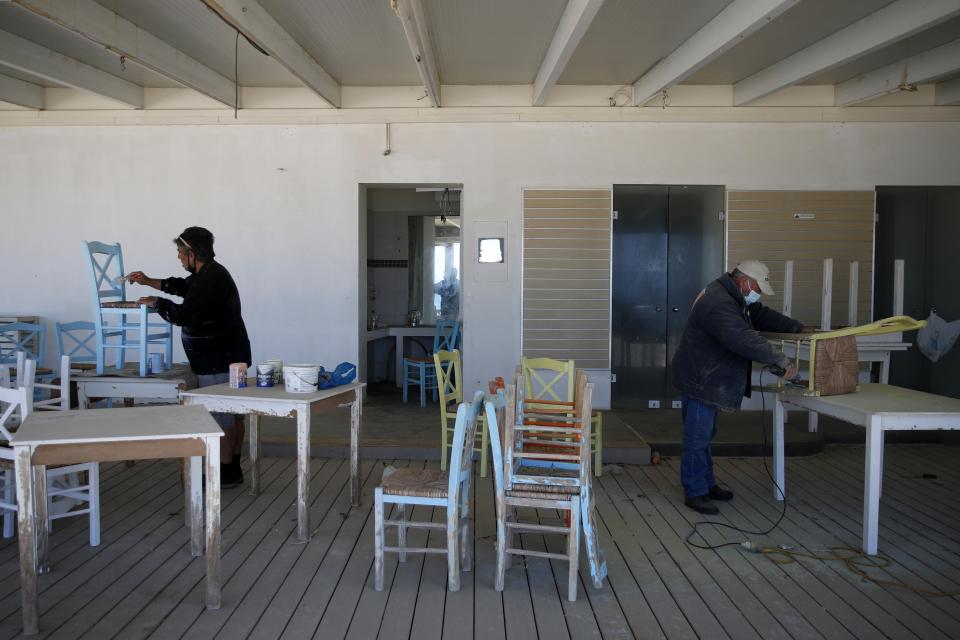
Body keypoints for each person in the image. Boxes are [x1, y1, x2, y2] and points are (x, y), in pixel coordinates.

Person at [671, 259, 805, 515]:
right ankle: (695, 491)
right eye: (757, 288)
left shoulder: (730, 295)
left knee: (705, 436)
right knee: (697, 438)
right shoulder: (719, 303)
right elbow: (742, 338)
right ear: (744, 282)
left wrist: (794, 327)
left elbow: (758, 315)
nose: (758, 294)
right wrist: (779, 359)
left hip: (708, 376)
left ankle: (707, 485)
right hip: (701, 379)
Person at [126, 227, 251, 488]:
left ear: (193, 253)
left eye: (181, 253)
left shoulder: (210, 277)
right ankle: (232, 468)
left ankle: (224, 472)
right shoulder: (208, 274)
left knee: (222, 415)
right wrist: (148, 280)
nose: (179, 258)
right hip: (228, 353)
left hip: (219, 357)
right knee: (232, 414)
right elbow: (182, 287)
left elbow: (185, 314)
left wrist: (156, 304)